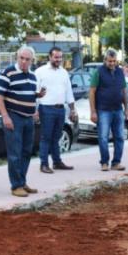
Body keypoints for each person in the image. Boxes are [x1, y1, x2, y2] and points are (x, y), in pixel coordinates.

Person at [0, 46, 45, 197]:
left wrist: (37, 96)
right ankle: (16, 186)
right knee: (15, 153)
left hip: (28, 118)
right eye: (21, 58)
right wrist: (5, 116)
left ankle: (22, 182)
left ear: (32, 60)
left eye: (27, 59)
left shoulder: (32, 76)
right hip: (13, 117)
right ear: (17, 58)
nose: (23, 61)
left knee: (26, 152)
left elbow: (27, 94)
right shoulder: (8, 72)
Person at [35, 46, 77, 174]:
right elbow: (35, 93)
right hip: (46, 108)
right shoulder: (40, 72)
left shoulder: (64, 72)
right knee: (46, 138)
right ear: (50, 57)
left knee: (56, 137)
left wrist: (73, 110)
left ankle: (57, 162)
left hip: (60, 109)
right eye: (56, 57)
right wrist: (35, 110)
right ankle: (44, 164)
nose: (58, 59)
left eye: (60, 57)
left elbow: (69, 92)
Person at [89, 49, 128, 171]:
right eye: (110, 61)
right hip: (103, 110)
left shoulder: (120, 72)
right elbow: (92, 92)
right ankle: (104, 162)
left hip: (118, 110)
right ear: (105, 60)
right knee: (103, 137)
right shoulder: (98, 72)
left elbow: (124, 91)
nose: (112, 63)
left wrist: (126, 108)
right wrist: (93, 111)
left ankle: (116, 162)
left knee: (120, 137)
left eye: (114, 61)